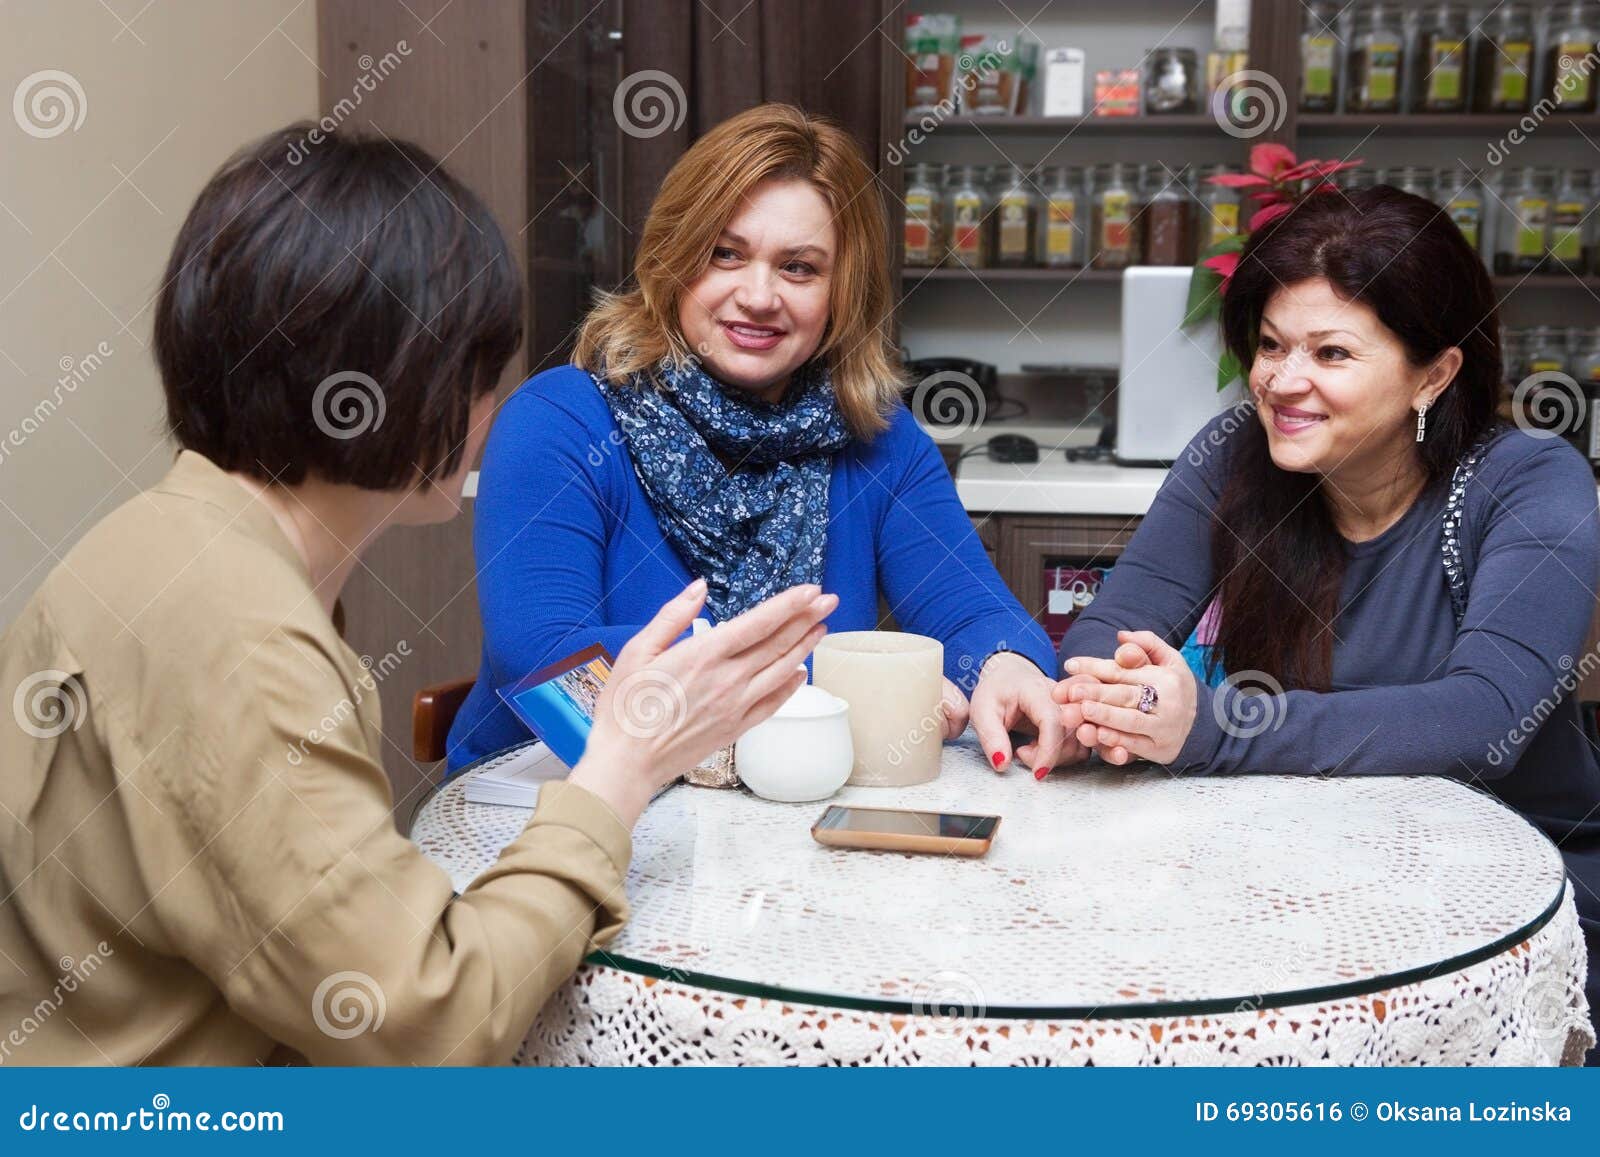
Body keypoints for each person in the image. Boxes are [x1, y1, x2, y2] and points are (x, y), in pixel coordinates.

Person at [0, 125, 833, 1065]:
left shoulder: (163, 546)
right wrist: (615, 774)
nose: (493, 400)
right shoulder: (240, 642)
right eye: (476, 364)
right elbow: (426, 1023)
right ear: (392, 380)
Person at [1054, 185, 1600, 1060]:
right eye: (1269, 346)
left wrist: (1212, 726)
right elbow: (1105, 630)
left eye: (1331, 352)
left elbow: (1486, 719)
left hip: (1514, 905)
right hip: (1303, 874)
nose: (1281, 381)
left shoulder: (1529, 482)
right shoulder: (1236, 457)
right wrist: (1115, 693)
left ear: (1435, 371)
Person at [448, 103, 1080, 778]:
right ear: (675, 259)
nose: (758, 295)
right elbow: (551, 661)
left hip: (784, 828)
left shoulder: (878, 440)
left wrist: (1005, 663)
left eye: (799, 268)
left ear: (843, 291)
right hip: (548, 812)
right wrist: (860, 680)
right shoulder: (561, 421)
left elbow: (981, 615)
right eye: (725, 253)